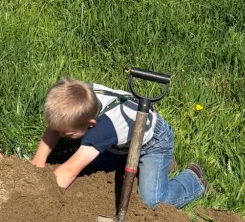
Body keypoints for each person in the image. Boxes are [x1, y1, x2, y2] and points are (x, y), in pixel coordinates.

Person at [31, 77, 207, 208]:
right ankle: (159, 167)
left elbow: (69, 170)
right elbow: (55, 127)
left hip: (154, 142)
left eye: (66, 133)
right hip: (124, 141)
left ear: (91, 124)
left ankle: (193, 179)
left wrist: (41, 193)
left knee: (152, 202)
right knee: (91, 166)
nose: (60, 135)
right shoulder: (80, 97)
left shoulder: (104, 129)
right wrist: (37, 165)